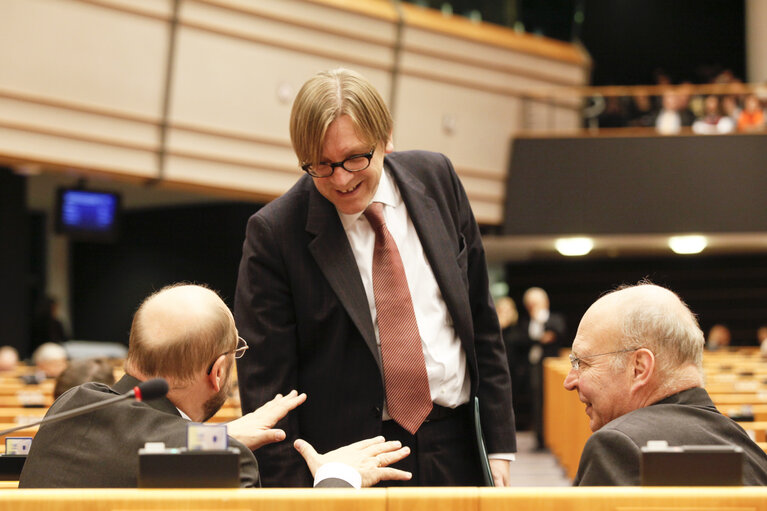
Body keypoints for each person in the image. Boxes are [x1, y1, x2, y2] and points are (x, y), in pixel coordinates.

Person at [235, 68, 515, 487]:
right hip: (350, 465)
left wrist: (499, 446)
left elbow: (480, 321)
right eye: (322, 166)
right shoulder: (275, 233)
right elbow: (267, 392)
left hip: (457, 445)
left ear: (386, 138)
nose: (341, 179)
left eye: (354, 159)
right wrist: (298, 493)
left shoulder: (437, 179)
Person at [20, 284, 411, 488]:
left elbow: (133, 444)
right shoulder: (224, 464)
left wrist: (218, 437)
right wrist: (337, 478)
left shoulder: (72, 406)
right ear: (219, 371)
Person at [564, 282, 767, 486]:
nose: (569, 381)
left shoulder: (617, 447)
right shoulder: (752, 452)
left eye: (582, 363)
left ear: (639, 368)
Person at [521, 287, 567, 449]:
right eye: (530, 304)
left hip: (551, 368)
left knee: (552, 402)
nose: (532, 307)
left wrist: (541, 322)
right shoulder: (527, 322)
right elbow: (523, 340)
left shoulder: (554, 318)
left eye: (535, 303)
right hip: (534, 368)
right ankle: (540, 439)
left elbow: (556, 333)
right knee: (537, 403)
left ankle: (553, 438)